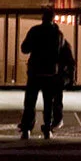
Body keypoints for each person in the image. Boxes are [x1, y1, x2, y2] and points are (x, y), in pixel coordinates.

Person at [19, 8, 66, 139]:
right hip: (50, 73)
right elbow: (59, 54)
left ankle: (27, 128)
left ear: (42, 17)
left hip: (35, 71)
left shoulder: (34, 31)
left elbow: (24, 49)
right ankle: (47, 127)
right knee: (48, 103)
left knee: (30, 102)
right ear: (53, 18)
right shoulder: (58, 34)